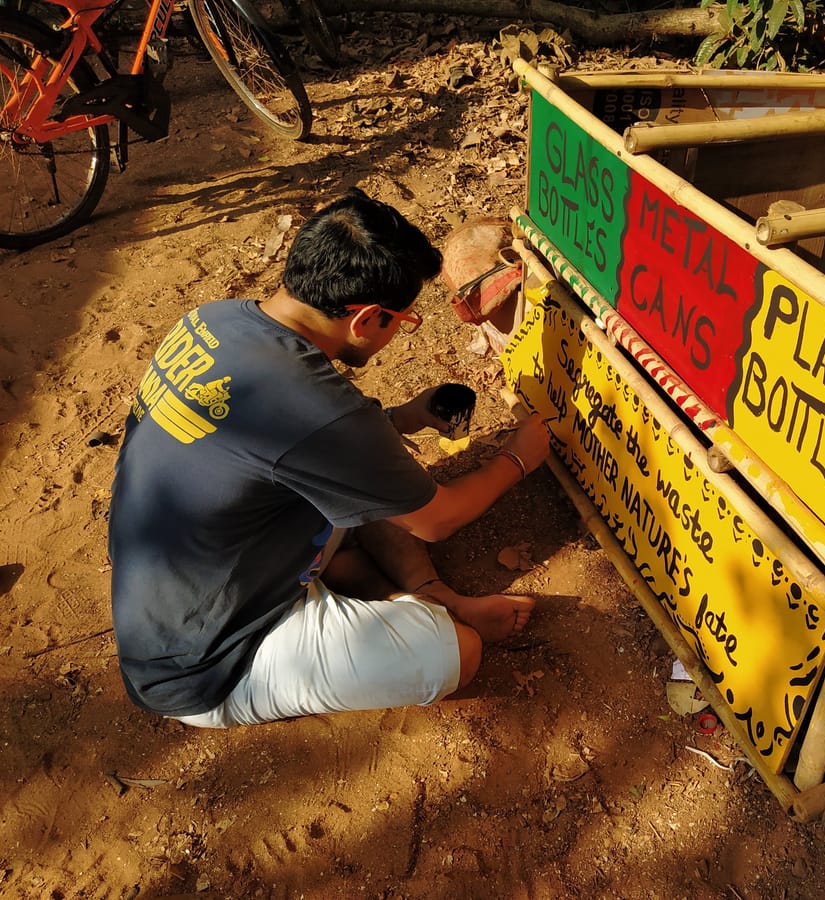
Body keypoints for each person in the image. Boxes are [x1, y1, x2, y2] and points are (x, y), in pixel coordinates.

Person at [107, 187, 550, 728]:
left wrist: (400, 421)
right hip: (209, 665)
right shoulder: (319, 409)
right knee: (457, 653)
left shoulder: (215, 320)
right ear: (366, 320)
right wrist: (517, 458)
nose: (399, 334)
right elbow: (438, 520)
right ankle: (416, 609)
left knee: (373, 493)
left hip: (182, 592)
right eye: (403, 322)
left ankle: (428, 594)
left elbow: (275, 441)